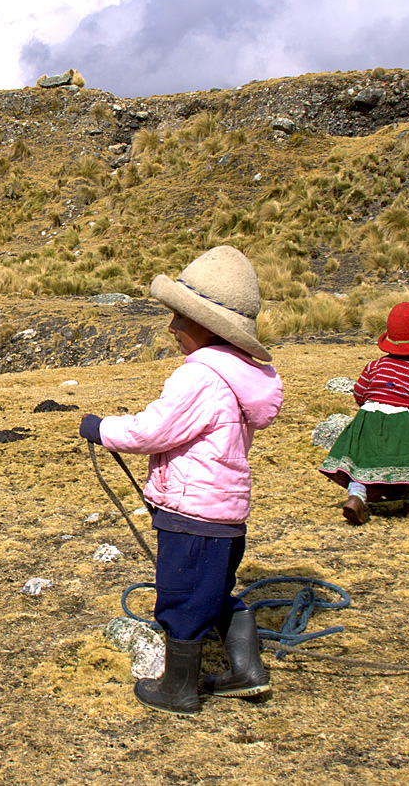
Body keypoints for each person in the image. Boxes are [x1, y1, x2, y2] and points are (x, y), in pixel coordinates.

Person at [79, 245, 283, 715]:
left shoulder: (201, 379)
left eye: (180, 318)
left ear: (209, 327)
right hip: (226, 516)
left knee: (181, 599)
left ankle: (178, 688)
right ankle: (246, 670)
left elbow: (153, 430)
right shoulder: (239, 378)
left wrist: (102, 428)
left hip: (190, 515)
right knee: (212, 592)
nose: (171, 328)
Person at [320, 301, 409, 524]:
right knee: (408, 461)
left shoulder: (375, 365)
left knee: (361, 461)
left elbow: (359, 392)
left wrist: (370, 411)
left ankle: (356, 497)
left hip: (369, 416)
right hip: (407, 419)